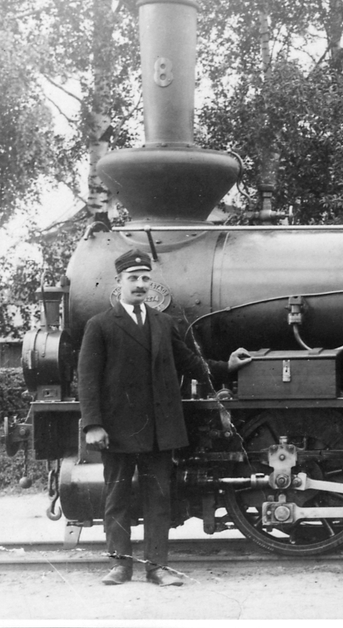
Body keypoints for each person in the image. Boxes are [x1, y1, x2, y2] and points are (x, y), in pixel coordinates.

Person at [78, 249, 253, 587]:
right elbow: (87, 379)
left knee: (158, 498)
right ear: (119, 282)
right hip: (117, 428)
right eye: (133, 278)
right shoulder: (99, 325)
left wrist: (227, 367)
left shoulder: (163, 322)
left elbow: (190, 363)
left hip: (160, 428)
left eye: (145, 278)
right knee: (117, 497)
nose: (140, 284)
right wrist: (93, 424)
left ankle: (157, 568)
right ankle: (120, 566)